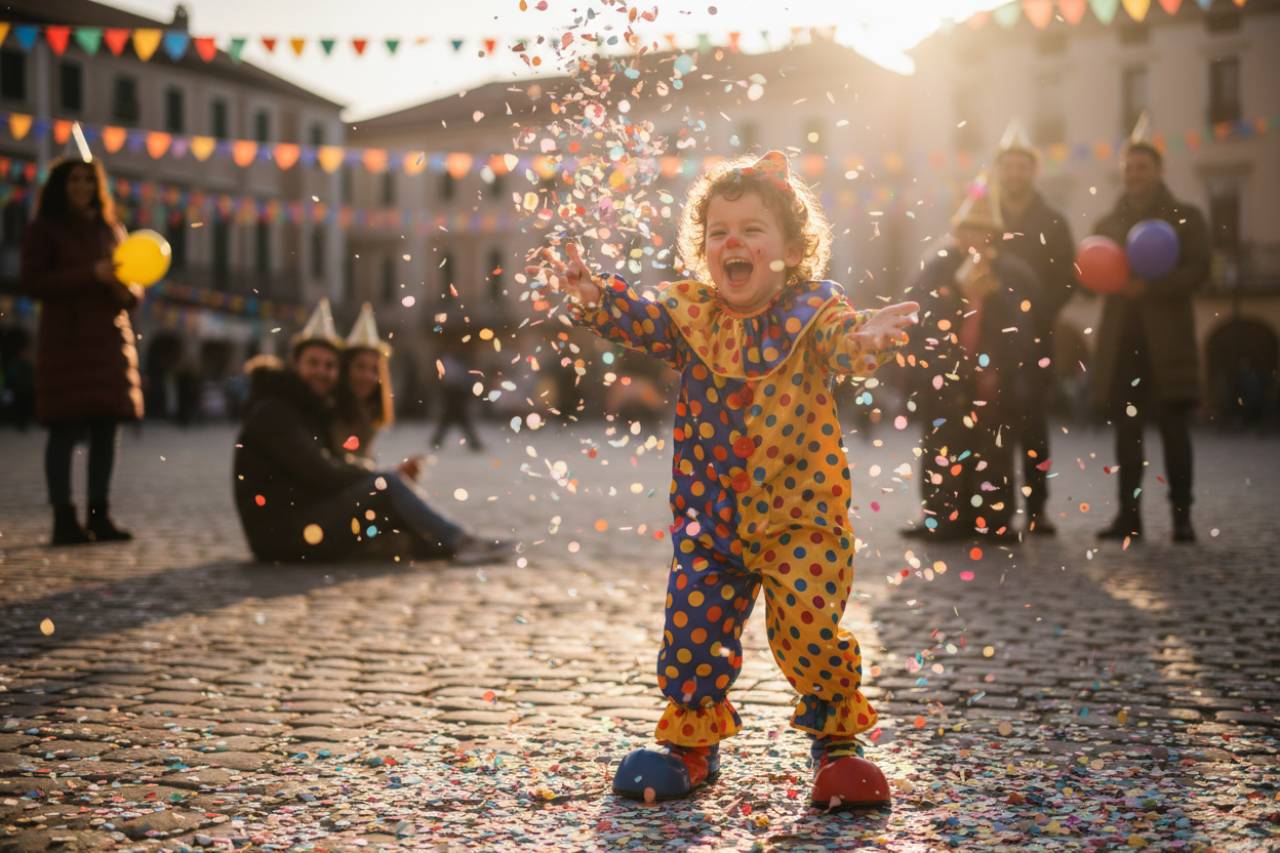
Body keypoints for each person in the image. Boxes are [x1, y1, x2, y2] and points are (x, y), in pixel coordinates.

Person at [526, 150, 918, 808]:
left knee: (810, 630)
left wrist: (866, 340)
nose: (732, 241)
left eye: (752, 229)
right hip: (710, 519)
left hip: (801, 517)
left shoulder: (814, 313)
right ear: (702, 251)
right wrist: (594, 297)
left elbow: (840, 341)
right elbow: (642, 322)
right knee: (691, 631)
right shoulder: (693, 316)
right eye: (717, 232)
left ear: (792, 251)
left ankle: (837, 745)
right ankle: (691, 746)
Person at [232, 299, 505, 565]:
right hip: (284, 535)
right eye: (313, 363)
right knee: (387, 486)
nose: (322, 372)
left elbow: (327, 470)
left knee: (397, 518)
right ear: (295, 363)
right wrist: (382, 475)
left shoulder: (306, 409)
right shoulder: (276, 412)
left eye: (329, 366)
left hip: (301, 525)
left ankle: (454, 544)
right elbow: (322, 471)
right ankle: (461, 542)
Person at [900, 174, 1039, 543]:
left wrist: (1002, 366)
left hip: (995, 375)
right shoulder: (937, 266)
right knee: (942, 446)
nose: (974, 238)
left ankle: (992, 520)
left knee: (993, 449)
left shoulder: (1012, 272)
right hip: (945, 373)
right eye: (968, 230)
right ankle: (941, 517)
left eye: (982, 231)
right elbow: (923, 317)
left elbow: (1022, 326)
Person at [1092, 118, 1210, 544]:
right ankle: (1129, 515)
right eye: (1128, 168)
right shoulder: (1108, 221)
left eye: (1141, 167)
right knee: (1127, 438)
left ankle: (1182, 516)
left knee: (1175, 433)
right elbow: (1094, 269)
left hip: (1168, 344)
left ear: (1159, 171)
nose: (1133, 174)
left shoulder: (1186, 217)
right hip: (1123, 345)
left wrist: (1152, 286)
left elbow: (1199, 269)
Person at [21, 157, 142, 545]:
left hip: (108, 341)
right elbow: (35, 282)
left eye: (89, 180)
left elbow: (133, 284)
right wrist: (91, 274)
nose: (82, 187)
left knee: (107, 430)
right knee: (65, 430)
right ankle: (63, 518)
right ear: (61, 185)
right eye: (74, 180)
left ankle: (99, 514)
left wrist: (123, 289)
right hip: (66, 341)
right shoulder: (44, 230)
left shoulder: (110, 229)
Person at [993, 122, 1075, 535]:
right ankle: (1001, 509)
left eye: (1022, 166)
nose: (1014, 173)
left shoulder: (1053, 221)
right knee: (997, 429)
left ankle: (1038, 508)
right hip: (993, 341)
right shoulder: (985, 216)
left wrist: (1035, 312)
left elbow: (1067, 277)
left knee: (1034, 427)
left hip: (1037, 337)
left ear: (1032, 171)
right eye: (1007, 166)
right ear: (999, 171)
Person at [332, 303, 402, 464]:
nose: (368, 376)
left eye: (374, 370)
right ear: (345, 369)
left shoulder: (369, 408)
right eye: (360, 367)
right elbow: (341, 463)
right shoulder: (331, 408)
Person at [430, 335, 484, 452]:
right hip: (452, 393)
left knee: (451, 419)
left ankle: (437, 440)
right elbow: (449, 378)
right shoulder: (449, 361)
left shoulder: (458, 361)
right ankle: (474, 444)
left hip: (457, 393)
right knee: (458, 419)